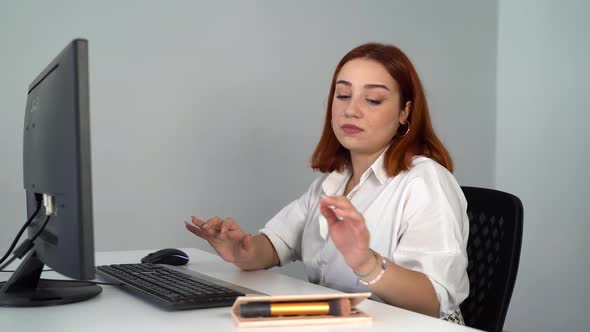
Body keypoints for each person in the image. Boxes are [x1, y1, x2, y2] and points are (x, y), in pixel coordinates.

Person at [185, 42, 469, 324]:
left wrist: (366, 263)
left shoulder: (425, 181)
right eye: (343, 95)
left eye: (372, 100)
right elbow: (276, 244)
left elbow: (433, 300)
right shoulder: (332, 182)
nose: (351, 110)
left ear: (405, 112)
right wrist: (240, 251)